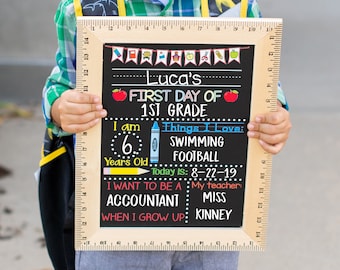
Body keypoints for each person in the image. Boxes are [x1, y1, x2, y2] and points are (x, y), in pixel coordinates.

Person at [39, 0, 292, 269]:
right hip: (115, 225)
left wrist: (274, 116)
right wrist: (60, 107)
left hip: (211, 223)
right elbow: (63, 82)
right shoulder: (82, 8)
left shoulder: (236, 7)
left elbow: (264, 85)